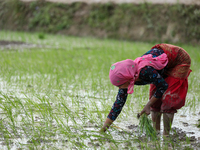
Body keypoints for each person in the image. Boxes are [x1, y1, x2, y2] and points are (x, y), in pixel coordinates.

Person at [99, 43, 192, 135]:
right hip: (160, 66)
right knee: (155, 100)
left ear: (127, 79)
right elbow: (118, 105)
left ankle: (166, 135)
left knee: (168, 99)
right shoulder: (129, 77)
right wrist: (103, 129)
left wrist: (147, 105)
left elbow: (163, 86)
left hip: (178, 60)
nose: (119, 88)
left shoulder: (145, 71)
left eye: (119, 85)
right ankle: (156, 132)